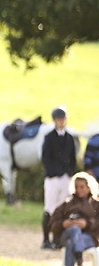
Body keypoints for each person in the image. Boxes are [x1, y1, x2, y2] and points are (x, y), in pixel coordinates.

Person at [48, 172, 99, 266]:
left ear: (89, 187)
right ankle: (79, 260)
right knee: (74, 230)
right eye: (76, 187)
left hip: (89, 238)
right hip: (67, 234)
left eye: (82, 187)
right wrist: (64, 224)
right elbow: (52, 223)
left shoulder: (96, 205)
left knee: (72, 243)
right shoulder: (67, 204)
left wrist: (87, 224)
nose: (79, 190)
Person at [41, 106, 78, 249]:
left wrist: (69, 171)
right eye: (59, 120)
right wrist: (53, 171)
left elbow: (73, 158)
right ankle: (45, 239)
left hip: (66, 178)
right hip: (53, 178)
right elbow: (45, 158)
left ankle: (58, 239)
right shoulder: (49, 137)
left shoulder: (70, 138)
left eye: (63, 119)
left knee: (64, 209)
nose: (61, 122)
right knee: (50, 208)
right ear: (55, 121)